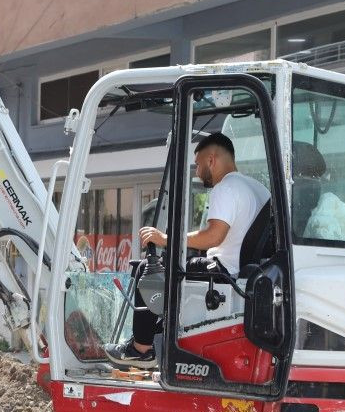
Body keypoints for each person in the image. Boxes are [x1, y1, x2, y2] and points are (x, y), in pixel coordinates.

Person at [104, 133, 269, 369]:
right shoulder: (257, 187)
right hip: (241, 269)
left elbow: (214, 236)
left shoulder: (226, 188)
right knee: (175, 265)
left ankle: (142, 348)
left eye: (199, 164)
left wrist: (164, 239)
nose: (197, 172)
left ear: (212, 160)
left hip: (223, 271)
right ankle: (160, 335)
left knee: (148, 269)